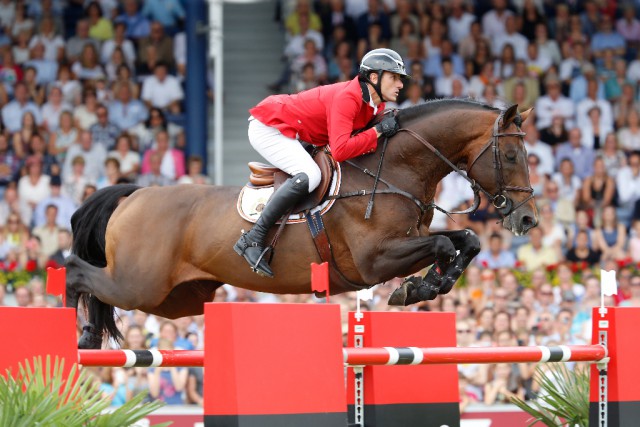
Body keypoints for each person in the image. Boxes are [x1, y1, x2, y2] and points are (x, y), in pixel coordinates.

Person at [233, 48, 407, 278]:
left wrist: (379, 130)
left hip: (297, 132)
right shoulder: (349, 97)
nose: (401, 85)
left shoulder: (375, 104)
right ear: (374, 78)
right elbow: (342, 149)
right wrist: (377, 132)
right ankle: (253, 238)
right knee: (310, 175)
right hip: (270, 127)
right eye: (394, 77)